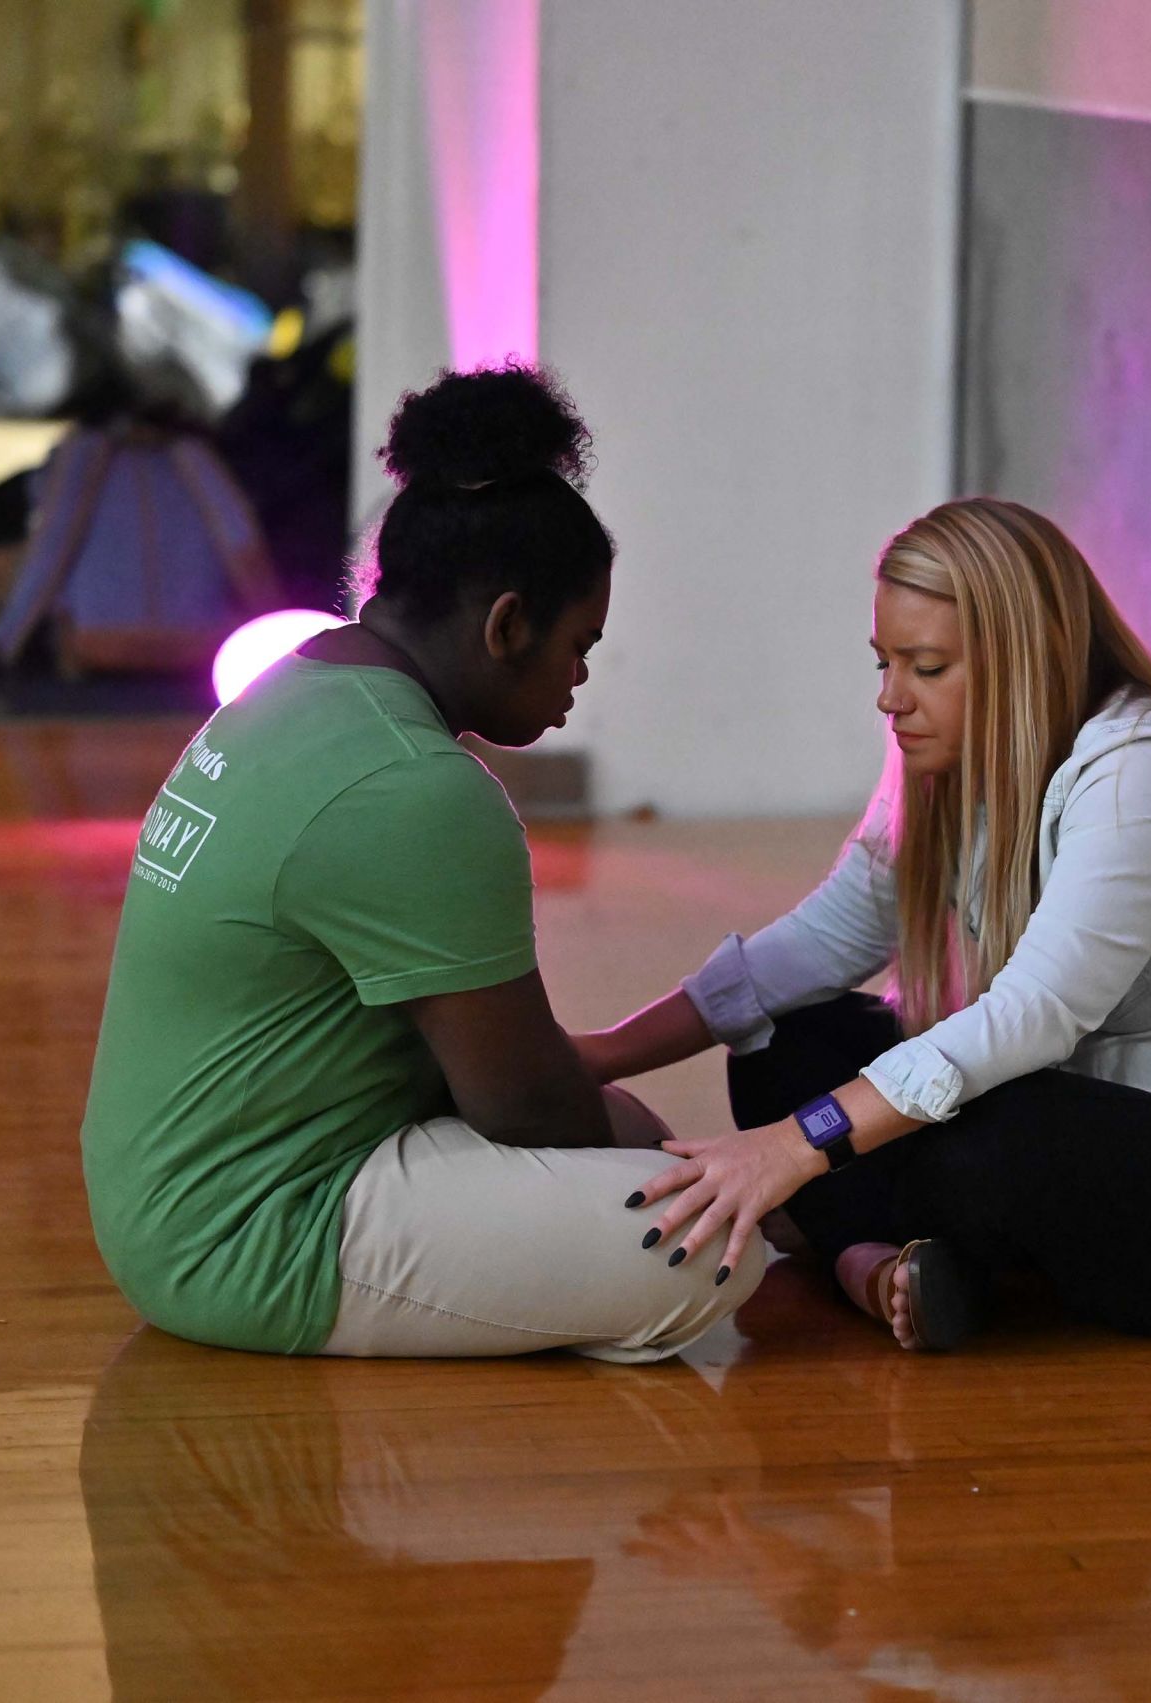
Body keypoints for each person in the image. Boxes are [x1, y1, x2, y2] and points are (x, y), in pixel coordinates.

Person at [580, 497, 1151, 1351]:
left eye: (927, 666)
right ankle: (891, 1262)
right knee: (784, 1042)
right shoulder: (953, 762)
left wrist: (795, 1148)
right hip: (1124, 1121)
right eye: (885, 663)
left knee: (980, 1147)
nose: (890, 698)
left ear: (1027, 659)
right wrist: (597, 1053)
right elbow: (812, 949)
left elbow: (1033, 1016)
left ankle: (862, 1251)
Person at [81, 364, 761, 1362]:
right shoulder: (416, 786)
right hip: (254, 1234)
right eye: (578, 643)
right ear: (505, 623)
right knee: (704, 1246)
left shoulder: (288, 694)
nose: (579, 677)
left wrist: (630, 1130)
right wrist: (641, 1139)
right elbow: (521, 1104)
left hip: (171, 1192)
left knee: (662, 1175)